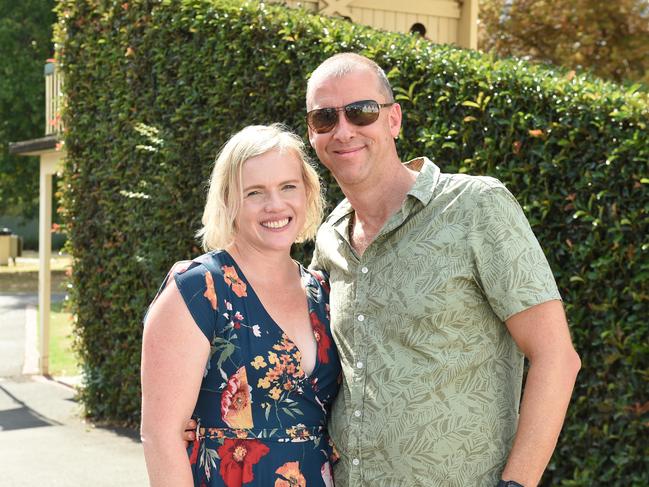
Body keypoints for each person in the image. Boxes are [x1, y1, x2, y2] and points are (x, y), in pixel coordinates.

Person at [303, 53, 581, 486]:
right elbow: (294, 352)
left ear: (393, 120)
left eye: (361, 112)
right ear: (312, 133)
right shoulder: (330, 237)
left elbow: (557, 357)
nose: (343, 130)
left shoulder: (476, 206)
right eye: (325, 117)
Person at [141, 124, 340, 487]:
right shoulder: (199, 289)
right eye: (255, 192)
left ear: (308, 192)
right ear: (229, 201)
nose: (275, 205)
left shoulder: (321, 291)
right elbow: (161, 436)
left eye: (288, 187)